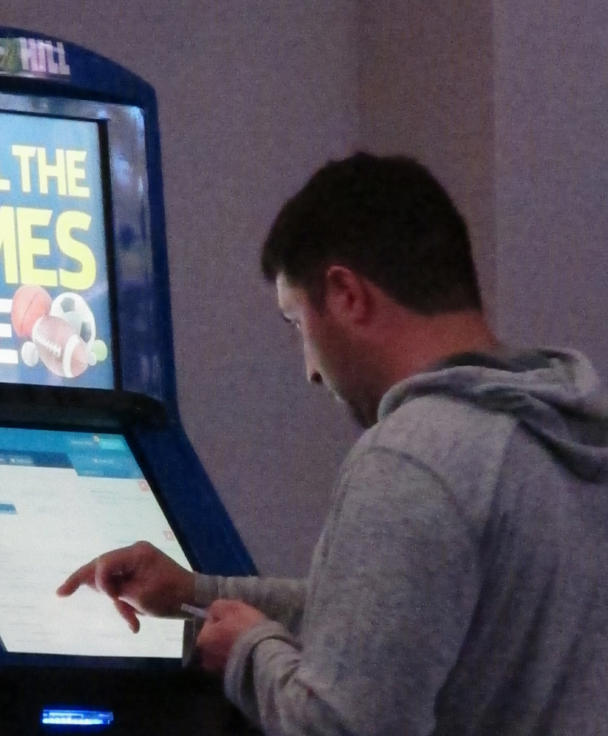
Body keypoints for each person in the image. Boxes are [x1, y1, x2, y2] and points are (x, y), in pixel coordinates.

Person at [57, 152, 608, 734]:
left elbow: (340, 725)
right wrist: (196, 593)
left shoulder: (412, 458)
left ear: (346, 295)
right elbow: (391, 624)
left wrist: (249, 654)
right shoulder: (564, 428)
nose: (310, 371)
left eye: (297, 323)